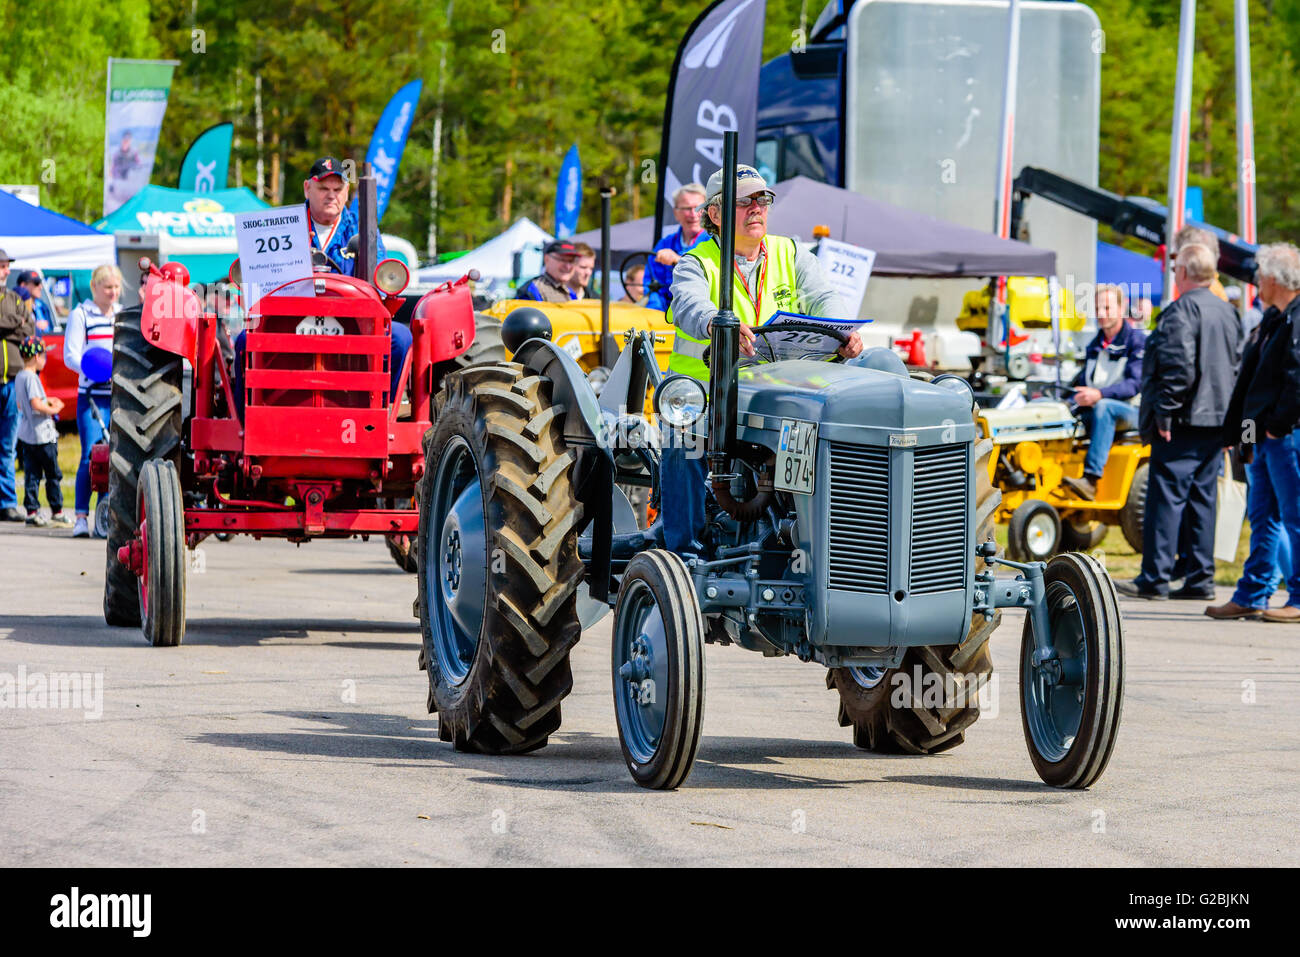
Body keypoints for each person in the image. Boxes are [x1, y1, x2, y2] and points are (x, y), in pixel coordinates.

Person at [660, 163, 862, 555]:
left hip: (782, 393)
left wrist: (844, 331)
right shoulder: (695, 262)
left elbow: (824, 297)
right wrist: (718, 326)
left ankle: (833, 544)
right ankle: (684, 555)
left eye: (763, 199)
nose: (757, 208)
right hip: (713, 396)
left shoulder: (791, 253)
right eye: (745, 201)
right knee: (681, 442)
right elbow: (689, 304)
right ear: (715, 214)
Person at [1117, 244, 1242, 600]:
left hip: (1183, 420)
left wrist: (1166, 412)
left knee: (1165, 498)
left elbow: (1178, 368)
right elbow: (1235, 367)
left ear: (1185, 272)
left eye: (1175, 270)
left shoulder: (1180, 312)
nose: (1174, 276)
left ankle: (1155, 578)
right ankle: (1200, 578)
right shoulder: (1227, 312)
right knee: (1202, 499)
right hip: (1216, 419)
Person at [234, 156, 408, 405]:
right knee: (244, 341)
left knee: (400, 340)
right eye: (323, 188)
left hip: (352, 325)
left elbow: (378, 282)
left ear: (347, 192)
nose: (331, 195)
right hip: (290, 323)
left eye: (337, 189)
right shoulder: (281, 228)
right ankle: (246, 419)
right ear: (307, 188)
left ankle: (381, 407)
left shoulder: (363, 231)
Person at [1207, 243, 1300, 622]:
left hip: (1284, 439)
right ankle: (1253, 593)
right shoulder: (1274, 319)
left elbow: (1296, 383)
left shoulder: (1294, 320)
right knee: (1262, 517)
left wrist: (1277, 429)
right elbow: (1252, 387)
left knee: (1293, 517)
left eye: (1260, 274)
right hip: (1262, 439)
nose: (1256, 282)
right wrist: (1241, 437)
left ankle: (1295, 597)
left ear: (1275, 278)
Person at [1062, 285, 1146, 500]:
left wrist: (1098, 394)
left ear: (1121, 308)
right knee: (1055, 410)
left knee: (1104, 407)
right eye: (1098, 308)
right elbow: (1084, 383)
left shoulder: (1136, 341)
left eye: (1107, 308)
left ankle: (1091, 479)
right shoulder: (1094, 344)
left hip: (1133, 411)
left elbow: (1135, 384)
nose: (1101, 314)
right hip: (1097, 408)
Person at [64, 264, 122, 538]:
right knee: (90, 455)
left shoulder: (121, 315)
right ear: (95, 288)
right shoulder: (80, 314)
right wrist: (95, 370)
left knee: (112, 456)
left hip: (117, 396)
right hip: (91, 396)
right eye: (108, 287)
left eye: (116, 287)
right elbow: (71, 356)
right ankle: (80, 517)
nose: (113, 293)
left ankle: (104, 515)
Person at [13, 337, 69, 527]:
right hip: (43, 436)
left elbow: (24, 403)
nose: (45, 358)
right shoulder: (33, 377)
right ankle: (57, 511)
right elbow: (36, 403)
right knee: (52, 474)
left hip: (27, 435)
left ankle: (32, 510)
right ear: (36, 356)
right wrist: (54, 409)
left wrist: (48, 400)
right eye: (44, 354)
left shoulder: (20, 377)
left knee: (32, 475)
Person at [1, 248, 36, 522]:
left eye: (6, 266)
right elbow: (19, 325)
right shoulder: (15, 306)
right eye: (1, 266)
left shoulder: (15, 298)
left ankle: (7, 502)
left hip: (12, 382)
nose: (6, 271)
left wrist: (13, 323)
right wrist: (16, 323)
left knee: (8, 446)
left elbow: (30, 329)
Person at [644, 183, 708, 311]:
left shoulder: (716, 242)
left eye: (697, 208)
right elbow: (651, 285)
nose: (693, 214)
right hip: (665, 321)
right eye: (687, 208)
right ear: (675, 213)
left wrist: (678, 260)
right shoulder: (664, 244)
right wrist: (657, 315)